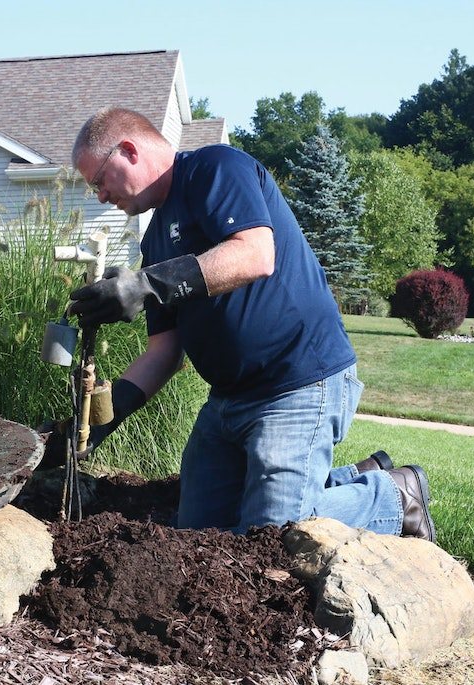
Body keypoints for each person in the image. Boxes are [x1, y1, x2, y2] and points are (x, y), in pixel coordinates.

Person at [65, 107, 434, 541]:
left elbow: (255, 255)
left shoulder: (215, 169)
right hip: (227, 403)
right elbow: (163, 352)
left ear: (128, 150)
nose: (101, 197)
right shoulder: (156, 238)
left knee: (271, 537)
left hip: (297, 384)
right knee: (198, 534)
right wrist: (95, 423)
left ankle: (394, 496)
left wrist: (148, 285)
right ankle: (348, 477)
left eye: (99, 181)